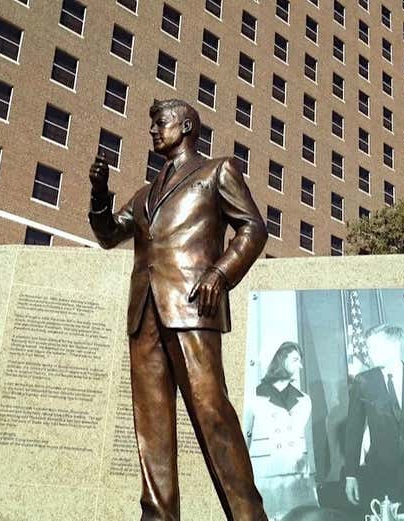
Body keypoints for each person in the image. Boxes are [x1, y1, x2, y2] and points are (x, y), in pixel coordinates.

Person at [88, 99, 268, 521]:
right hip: (145, 314)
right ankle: (158, 516)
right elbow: (109, 234)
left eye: (161, 122)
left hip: (192, 307)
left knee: (212, 411)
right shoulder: (144, 194)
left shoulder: (217, 171)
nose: (153, 129)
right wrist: (99, 195)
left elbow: (253, 228)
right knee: (151, 426)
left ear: (186, 126)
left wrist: (221, 273)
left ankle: (249, 517)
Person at [343, 324, 404, 517]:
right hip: (382, 478)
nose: (369, 353)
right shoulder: (363, 382)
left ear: (394, 345)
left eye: (374, 347)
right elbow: (353, 430)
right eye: (368, 348)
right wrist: (350, 475)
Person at [244, 342, 317, 521]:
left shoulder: (304, 400)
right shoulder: (253, 397)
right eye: (295, 360)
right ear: (279, 360)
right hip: (266, 479)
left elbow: (308, 442)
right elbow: (242, 438)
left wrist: (312, 475)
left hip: (297, 479)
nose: (300, 365)